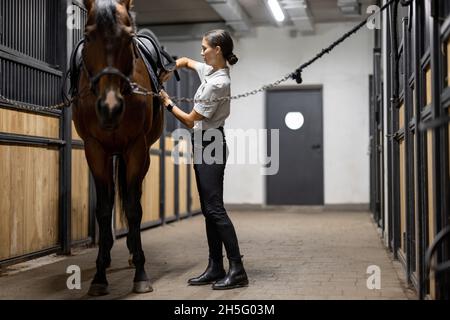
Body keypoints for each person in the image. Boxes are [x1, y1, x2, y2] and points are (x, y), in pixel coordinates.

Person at [158, 29, 248, 290]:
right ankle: (215, 266)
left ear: (217, 49)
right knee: (209, 210)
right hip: (203, 143)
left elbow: (188, 120)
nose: (202, 52)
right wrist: (167, 70)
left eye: (205, 48)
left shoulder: (219, 82)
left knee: (215, 209)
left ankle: (237, 269)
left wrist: (166, 101)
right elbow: (185, 61)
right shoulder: (210, 70)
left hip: (211, 144)